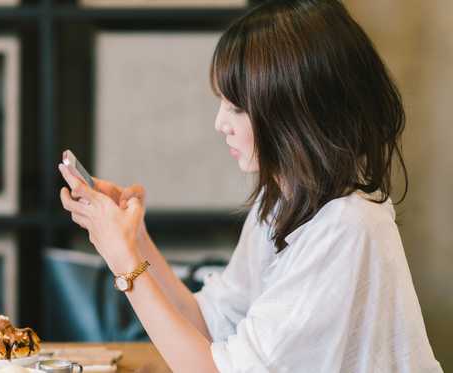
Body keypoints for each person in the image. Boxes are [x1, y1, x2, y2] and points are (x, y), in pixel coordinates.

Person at [57, 0, 443, 372]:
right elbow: (209, 322)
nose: (220, 123)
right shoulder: (280, 202)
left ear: (294, 111)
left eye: (236, 107)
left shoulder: (348, 228)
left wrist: (123, 259)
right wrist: (135, 238)